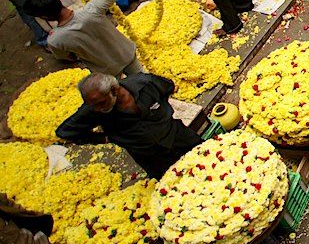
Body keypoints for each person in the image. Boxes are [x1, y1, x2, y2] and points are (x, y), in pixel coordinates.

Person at [56, 72, 203, 179]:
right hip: (149, 155)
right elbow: (65, 132)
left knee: (208, 156)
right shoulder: (93, 110)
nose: (97, 108)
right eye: (92, 105)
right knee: (173, 182)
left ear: (114, 90)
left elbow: (168, 86)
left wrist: (160, 109)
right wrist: (104, 138)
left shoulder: (144, 83)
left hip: (176, 135)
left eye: (101, 103)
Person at [27, 0, 142, 77]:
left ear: (45, 17)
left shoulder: (54, 40)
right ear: (59, 1)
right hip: (126, 54)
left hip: (105, 71)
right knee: (145, 83)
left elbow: (70, 57)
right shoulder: (93, 9)